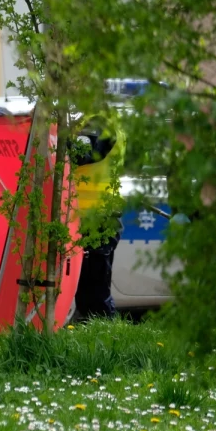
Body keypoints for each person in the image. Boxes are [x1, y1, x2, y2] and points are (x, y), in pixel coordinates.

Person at [70, 112, 126, 318]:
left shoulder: (101, 122)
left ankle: (106, 335)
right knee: (86, 293)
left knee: (94, 295)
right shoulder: (85, 121)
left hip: (97, 219)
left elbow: (81, 154)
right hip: (85, 217)